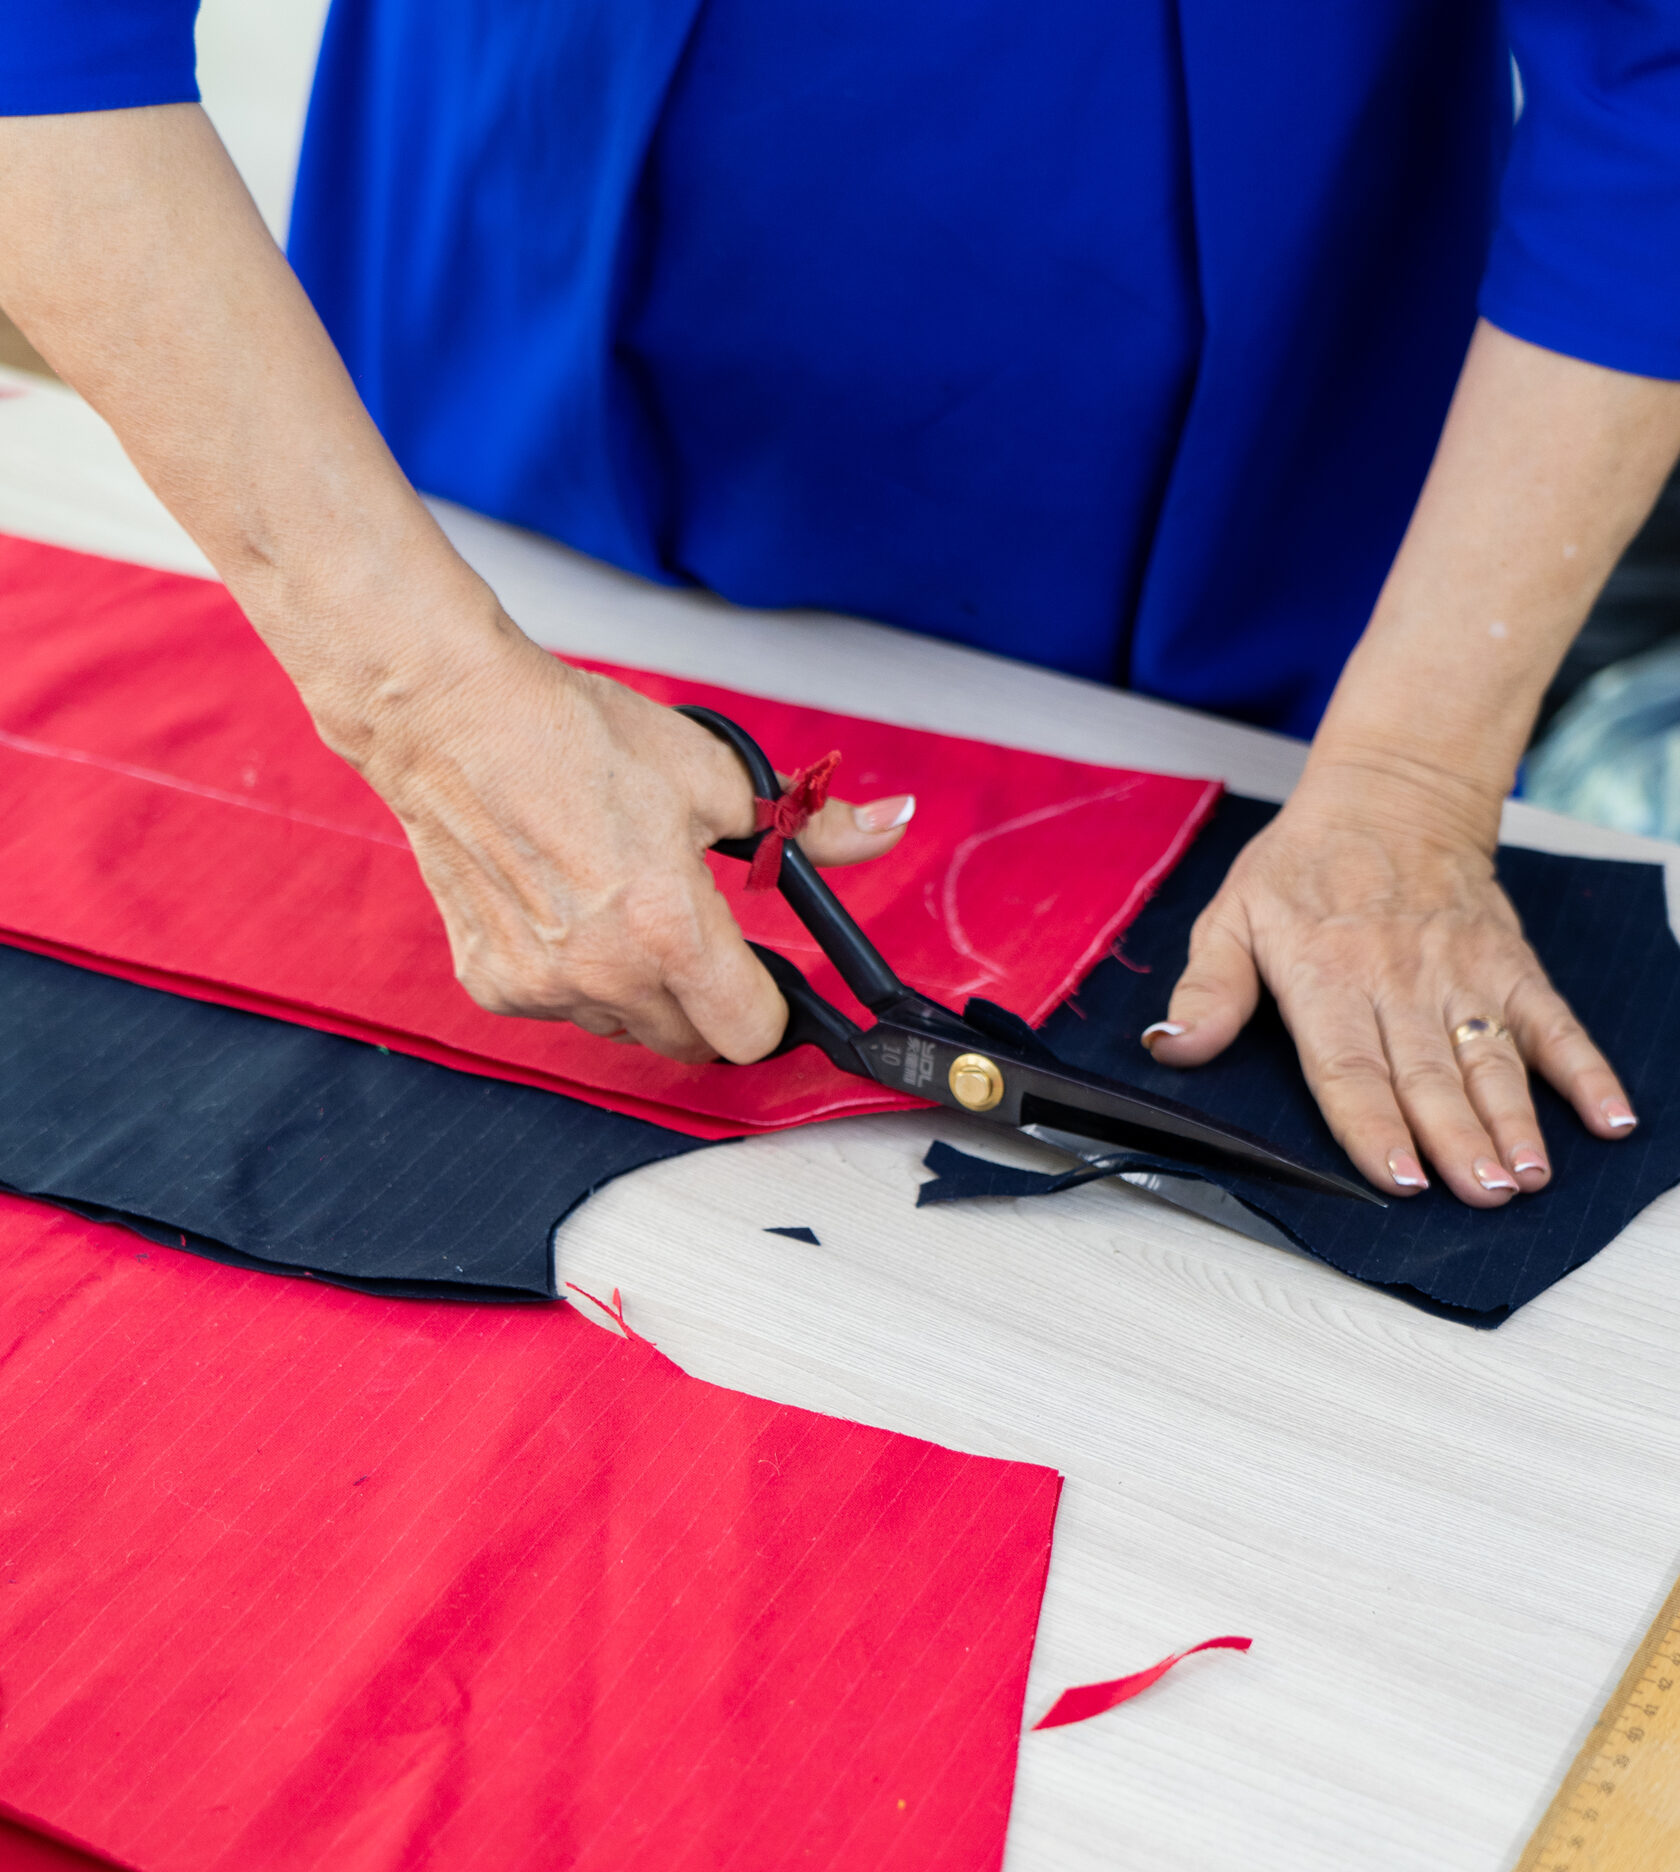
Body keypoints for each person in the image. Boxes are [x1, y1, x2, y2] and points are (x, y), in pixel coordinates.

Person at [3, 5, 1678, 1208]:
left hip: (1209, 495)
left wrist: (1409, 780)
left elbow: (1652, 79)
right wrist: (418, 688)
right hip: (478, 360)